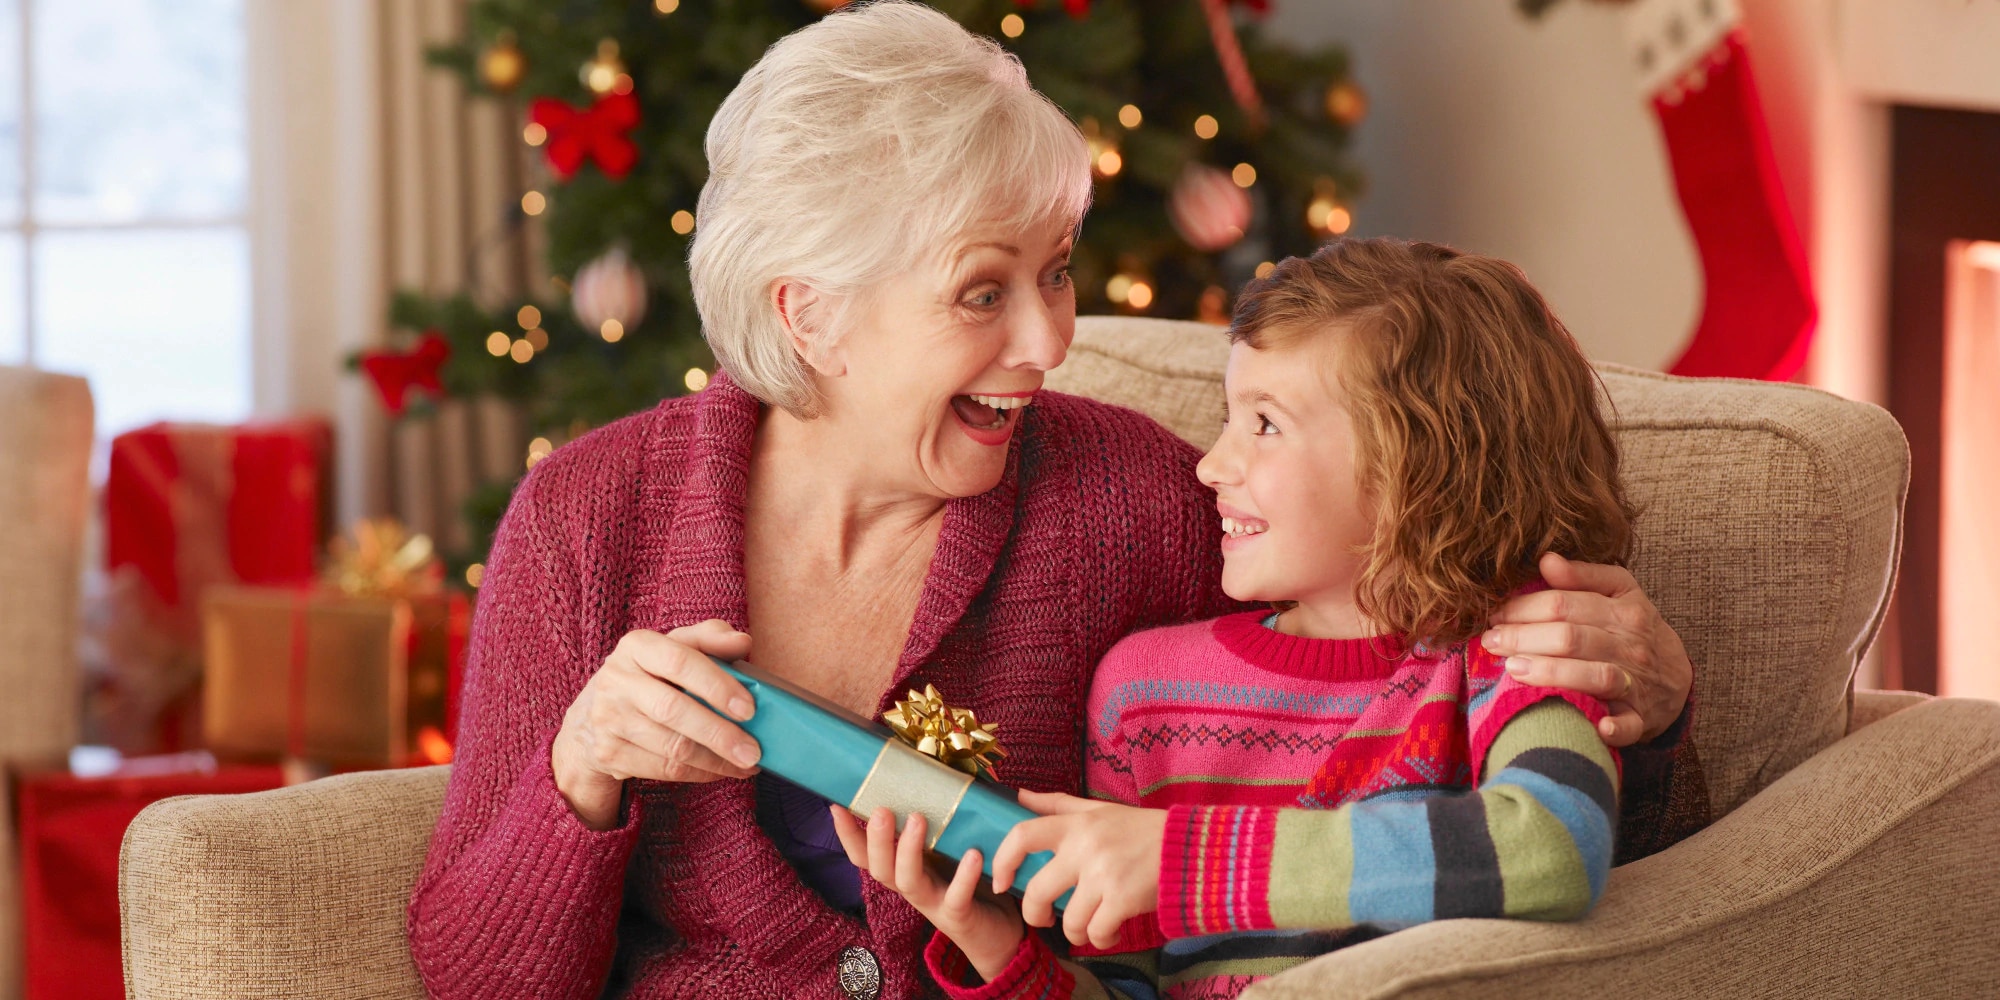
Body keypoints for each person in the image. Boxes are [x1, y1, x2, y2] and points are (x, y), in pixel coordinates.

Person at [405, 7, 1697, 1000]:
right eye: (983, 292)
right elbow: (474, 975)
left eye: (1059, 273)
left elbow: (1411, 701)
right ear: (813, 312)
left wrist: (1645, 704)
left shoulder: (1135, 500)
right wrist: (580, 779)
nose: (1048, 341)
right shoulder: (588, 518)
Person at [840, 238, 1649, 999]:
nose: (1211, 464)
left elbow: (1550, 850)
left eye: (1265, 424)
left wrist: (1180, 859)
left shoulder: (1525, 645)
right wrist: (991, 940)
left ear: (1423, 464)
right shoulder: (1145, 693)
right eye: (1231, 419)